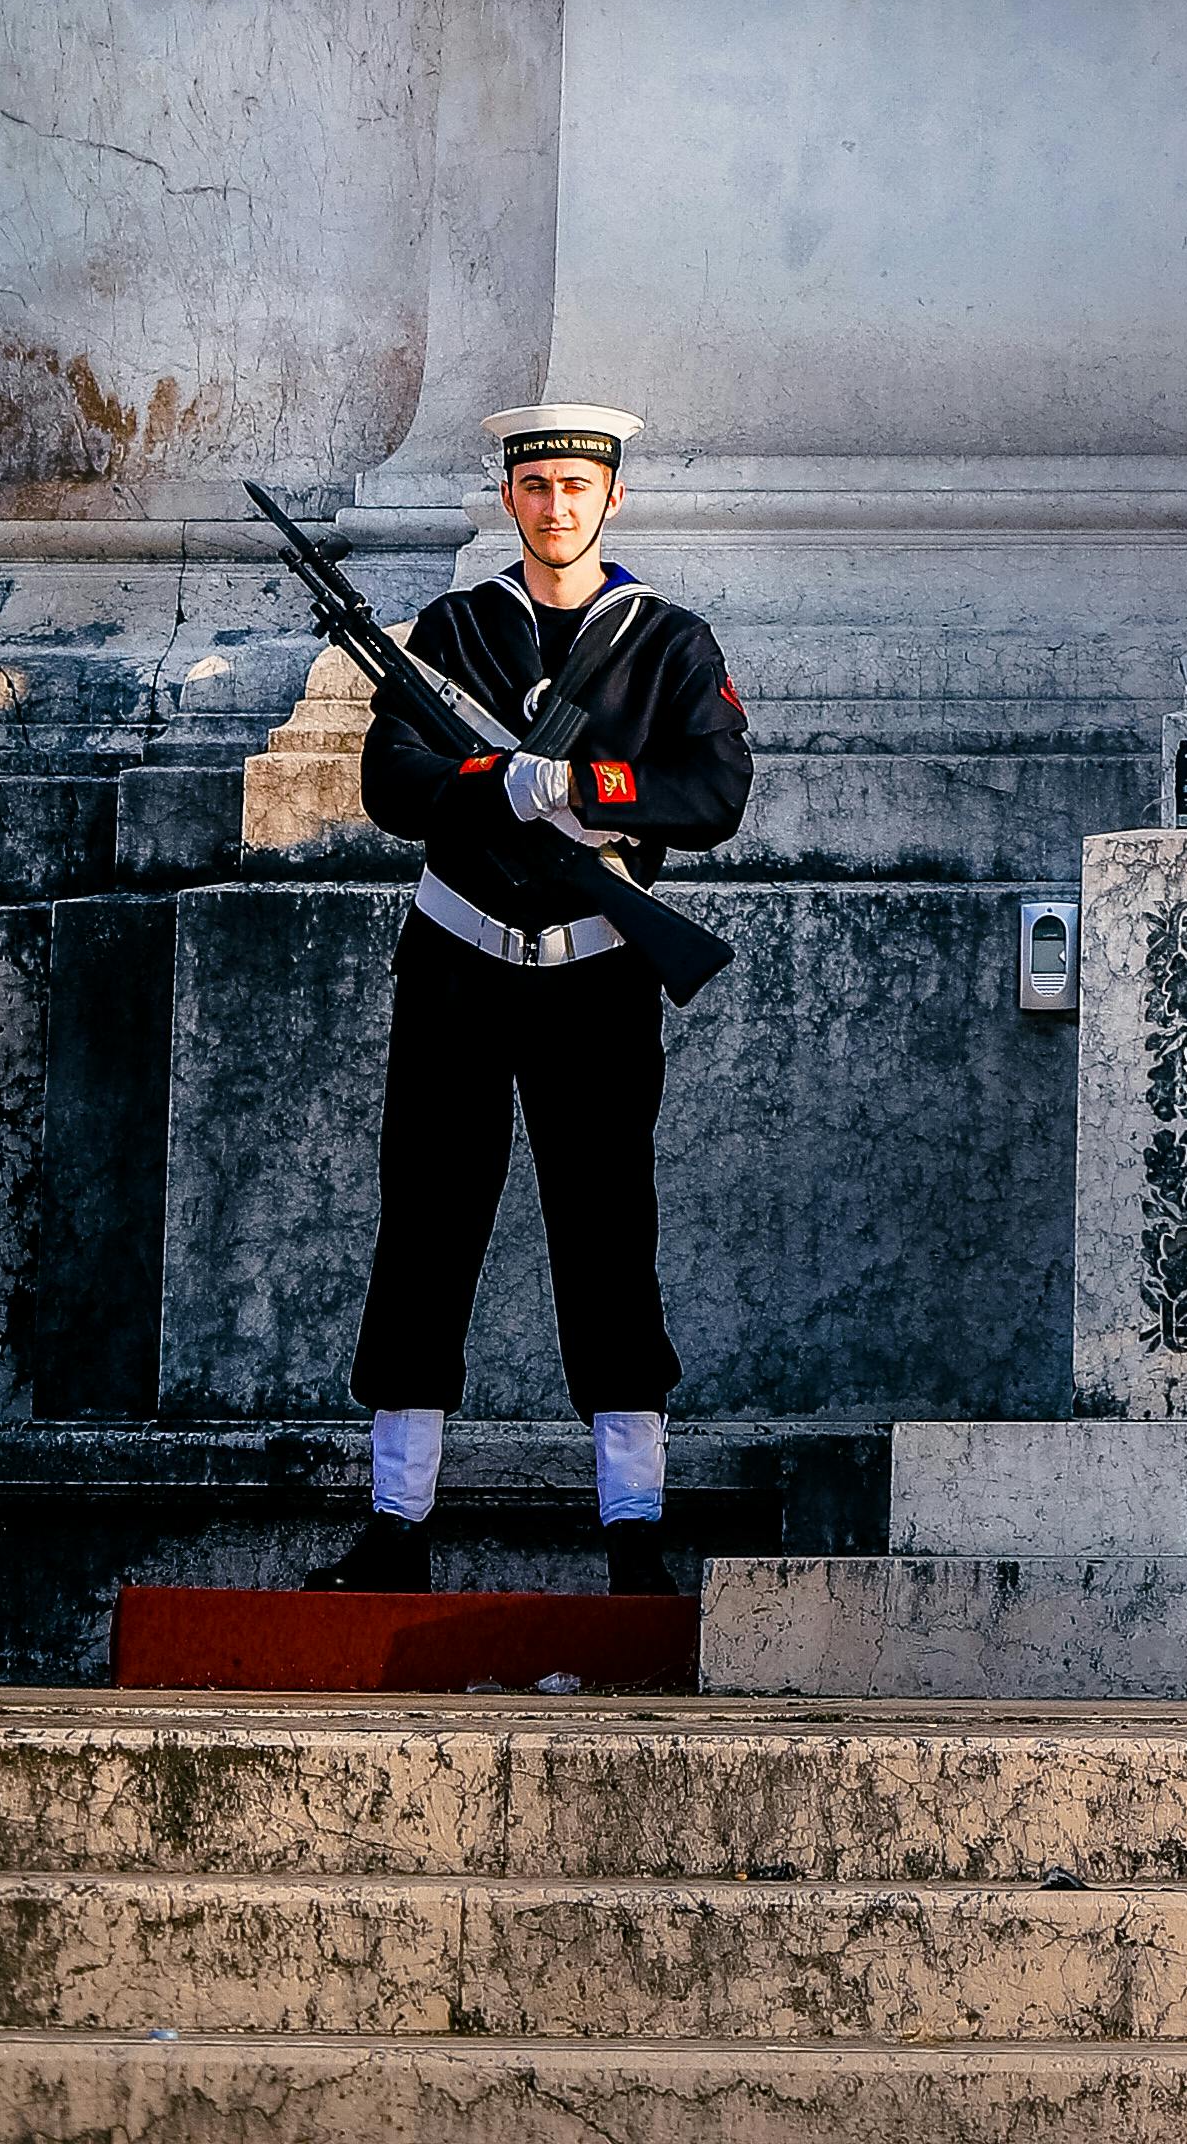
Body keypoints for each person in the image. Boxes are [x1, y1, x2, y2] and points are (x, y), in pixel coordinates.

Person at [312, 405, 751, 1599]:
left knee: (608, 1230)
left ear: (612, 500)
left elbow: (712, 789)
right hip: (456, 961)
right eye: (536, 487)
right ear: (508, 500)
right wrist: (495, 784)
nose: (556, 507)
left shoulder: (664, 639)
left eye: (576, 487)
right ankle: (398, 1522)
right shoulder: (452, 630)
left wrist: (583, 787)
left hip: (600, 965)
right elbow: (393, 780)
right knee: (427, 1223)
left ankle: (633, 1527)